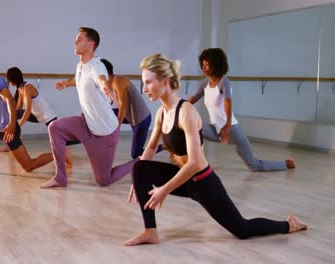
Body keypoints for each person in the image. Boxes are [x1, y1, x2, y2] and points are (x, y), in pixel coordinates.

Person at [123, 53, 307, 246]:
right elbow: (151, 147)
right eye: (144, 83)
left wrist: (164, 190)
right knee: (139, 167)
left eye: (149, 83)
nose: (145, 89)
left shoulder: (186, 112)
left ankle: (288, 225)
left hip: (202, 182)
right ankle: (150, 231)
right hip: (182, 177)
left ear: (165, 81)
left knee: (242, 229)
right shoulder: (162, 113)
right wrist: (138, 181)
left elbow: (194, 163)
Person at [39, 27, 136, 188]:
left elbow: (100, 79)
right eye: (76, 38)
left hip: (105, 133)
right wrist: (66, 83)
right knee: (55, 127)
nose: (75, 41)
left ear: (90, 44)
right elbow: (80, 80)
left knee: (103, 181)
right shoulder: (80, 66)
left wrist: (107, 88)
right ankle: (60, 177)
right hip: (86, 123)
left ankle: (137, 163)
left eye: (79, 39)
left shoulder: (97, 66)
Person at [188, 48, 295, 172]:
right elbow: (194, 98)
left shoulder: (224, 82)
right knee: (193, 126)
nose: (204, 68)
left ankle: (287, 164)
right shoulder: (205, 83)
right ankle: (190, 160)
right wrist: (178, 107)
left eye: (207, 65)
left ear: (216, 64)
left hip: (232, 130)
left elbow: (228, 102)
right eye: (203, 65)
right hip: (215, 130)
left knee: (255, 166)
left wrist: (227, 125)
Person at [0, 67, 75, 168]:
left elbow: (28, 110)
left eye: (8, 80)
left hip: (47, 116)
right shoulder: (20, 89)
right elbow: (18, 109)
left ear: (12, 80)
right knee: (14, 114)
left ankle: (81, 139)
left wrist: (17, 127)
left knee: (62, 139)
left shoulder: (27, 88)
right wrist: (14, 125)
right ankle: (13, 142)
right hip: (36, 116)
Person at [100, 58, 163, 159]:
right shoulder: (110, 83)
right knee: (104, 113)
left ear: (104, 73)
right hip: (130, 115)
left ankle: (166, 146)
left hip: (141, 119)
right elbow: (112, 102)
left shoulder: (117, 82)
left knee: (136, 154)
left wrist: (116, 128)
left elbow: (123, 107)